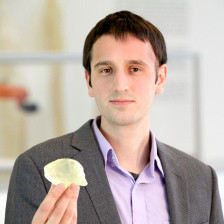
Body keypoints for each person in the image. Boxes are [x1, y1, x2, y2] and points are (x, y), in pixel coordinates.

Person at [5, 11, 223, 224]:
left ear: (161, 78)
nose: (120, 85)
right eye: (106, 70)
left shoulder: (202, 180)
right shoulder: (36, 168)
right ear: (89, 80)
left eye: (135, 68)